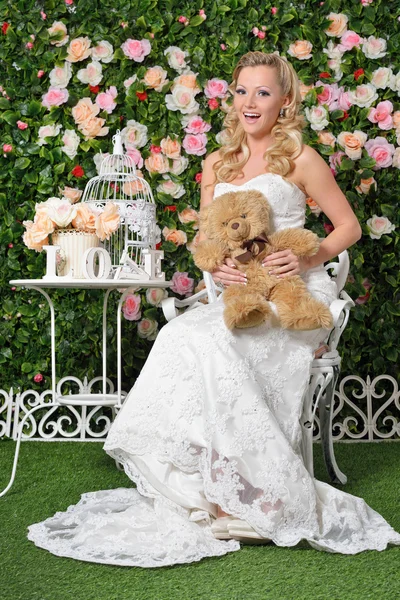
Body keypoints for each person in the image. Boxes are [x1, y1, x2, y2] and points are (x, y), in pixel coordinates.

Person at [28, 52, 400, 567]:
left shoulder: (301, 159)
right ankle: (209, 485)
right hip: (238, 292)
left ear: (284, 101)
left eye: (263, 93)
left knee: (219, 341)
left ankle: (254, 491)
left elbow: (349, 228)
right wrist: (221, 267)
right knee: (180, 338)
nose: (250, 103)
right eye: (242, 91)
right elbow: (210, 237)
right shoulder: (217, 164)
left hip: (290, 293)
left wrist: (309, 252)